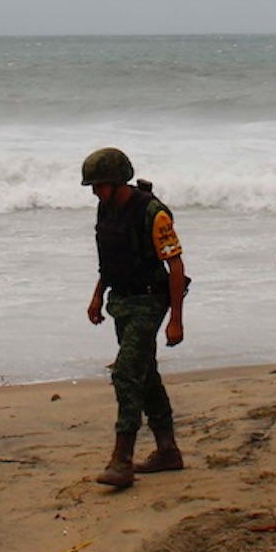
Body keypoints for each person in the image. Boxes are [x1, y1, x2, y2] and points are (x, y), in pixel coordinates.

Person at [81, 147, 186, 488]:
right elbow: (109, 259)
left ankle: (121, 459)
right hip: (121, 300)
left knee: (125, 373)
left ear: (116, 181)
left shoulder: (153, 213)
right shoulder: (106, 210)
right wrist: (98, 295)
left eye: (99, 186)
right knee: (144, 373)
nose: (96, 192)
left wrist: (176, 320)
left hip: (150, 300)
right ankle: (167, 451)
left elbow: (176, 266)